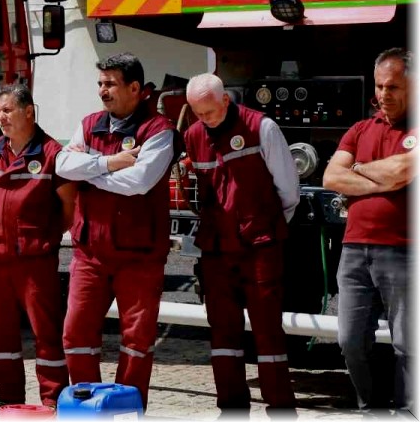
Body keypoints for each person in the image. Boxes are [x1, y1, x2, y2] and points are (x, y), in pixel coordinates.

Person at [54, 53, 177, 408]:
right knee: (75, 334)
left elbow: (137, 182)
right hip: (90, 252)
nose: (102, 91)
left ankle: (127, 409)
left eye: (110, 84)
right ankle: (88, 405)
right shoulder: (90, 123)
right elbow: (63, 165)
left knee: (136, 341)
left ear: (135, 88)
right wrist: (109, 162)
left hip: (139, 256)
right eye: (100, 83)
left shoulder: (159, 131)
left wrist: (88, 170)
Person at [182, 73, 299, 414]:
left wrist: (267, 226)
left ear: (226, 101)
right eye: (198, 113)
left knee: (267, 333)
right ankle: (231, 409)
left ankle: (280, 409)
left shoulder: (261, 128)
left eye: (210, 112)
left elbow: (288, 190)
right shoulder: (193, 136)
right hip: (217, 249)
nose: (205, 120)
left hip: (259, 245)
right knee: (222, 333)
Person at [323, 48, 413, 412]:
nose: (383, 95)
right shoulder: (361, 128)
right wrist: (383, 179)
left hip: (405, 251)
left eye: (392, 87)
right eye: (379, 86)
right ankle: (371, 408)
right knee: (350, 340)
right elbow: (331, 176)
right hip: (355, 249)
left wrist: (358, 170)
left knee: (409, 345)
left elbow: (402, 172)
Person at [0, 83, 74, 410]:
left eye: (8, 110)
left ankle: (54, 401)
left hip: (34, 261)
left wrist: (43, 237)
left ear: (29, 112)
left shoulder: (52, 154)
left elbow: (69, 209)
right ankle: (8, 398)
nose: (1, 117)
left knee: (46, 334)